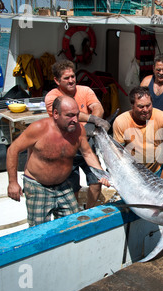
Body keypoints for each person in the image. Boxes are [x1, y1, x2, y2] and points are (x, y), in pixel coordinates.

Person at [7, 95, 110, 226]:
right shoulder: (38, 128)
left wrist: (101, 174)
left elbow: (88, 153)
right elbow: (12, 150)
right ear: (56, 114)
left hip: (63, 185)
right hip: (38, 186)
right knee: (40, 230)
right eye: (70, 115)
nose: (75, 120)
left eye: (77, 115)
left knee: (73, 224)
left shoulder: (79, 130)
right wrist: (13, 183)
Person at [45, 60, 110, 209]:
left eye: (73, 76)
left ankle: (89, 210)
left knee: (97, 182)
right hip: (65, 149)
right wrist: (92, 119)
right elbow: (67, 114)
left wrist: (89, 126)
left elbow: (97, 108)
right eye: (66, 78)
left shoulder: (85, 90)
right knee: (71, 188)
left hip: (87, 146)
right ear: (56, 80)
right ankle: (74, 213)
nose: (71, 80)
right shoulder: (51, 97)